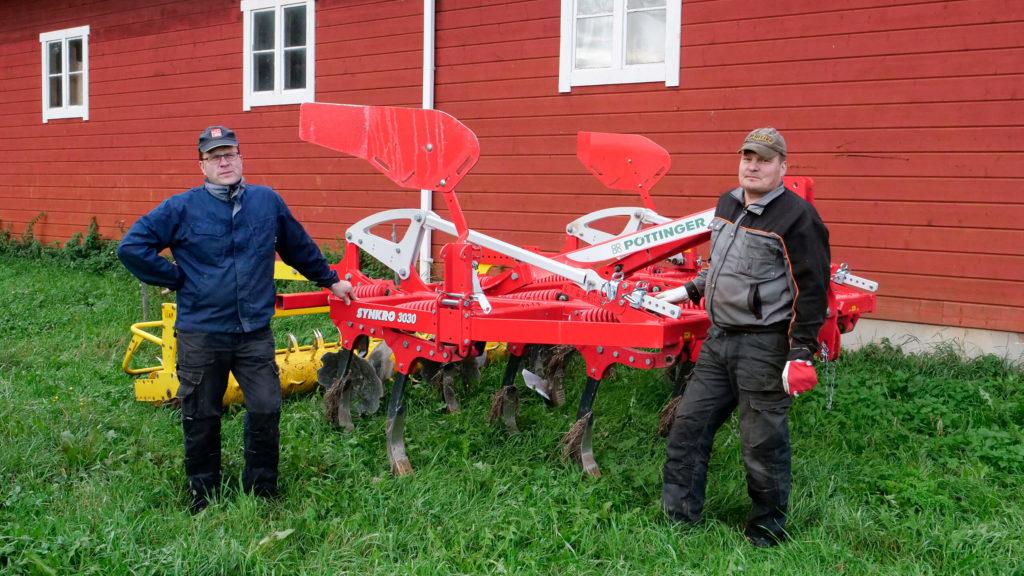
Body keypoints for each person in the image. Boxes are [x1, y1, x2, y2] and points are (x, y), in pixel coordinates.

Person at [117, 125, 353, 511]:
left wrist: (331, 280)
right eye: (214, 156)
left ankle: (261, 488)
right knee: (201, 413)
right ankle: (202, 492)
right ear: (202, 166)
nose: (224, 161)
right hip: (202, 332)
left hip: (253, 332)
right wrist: (175, 277)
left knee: (265, 406)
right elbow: (132, 247)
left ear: (241, 158)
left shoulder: (266, 202)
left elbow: (298, 247)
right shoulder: (181, 208)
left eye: (230, 153)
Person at [657, 127, 830, 546]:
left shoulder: (797, 218)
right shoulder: (728, 203)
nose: (753, 166)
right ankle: (679, 518)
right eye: (747, 157)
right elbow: (722, 263)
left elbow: (812, 290)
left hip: (764, 345)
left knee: (762, 442)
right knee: (688, 425)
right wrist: (690, 289)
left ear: (783, 167)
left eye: (764, 159)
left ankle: (766, 531)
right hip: (719, 341)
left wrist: (801, 352)